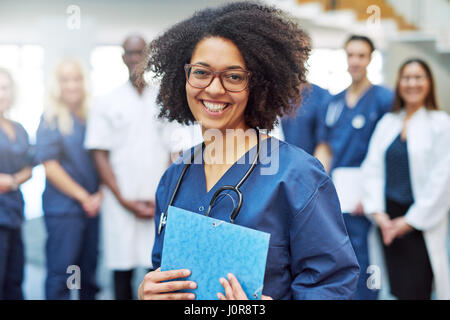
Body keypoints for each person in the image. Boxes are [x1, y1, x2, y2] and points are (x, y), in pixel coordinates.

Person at [137, 2, 359, 300]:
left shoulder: (297, 175)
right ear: (183, 78)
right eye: (201, 72)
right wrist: (150, 291)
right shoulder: (174, 178)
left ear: (258, 85)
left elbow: (334, 285)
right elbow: (163, 270)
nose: (214, 89)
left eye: (233, 76)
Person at [84, 35, 172, 300]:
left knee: (156, 270)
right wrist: (124, 199)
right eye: (130, 53)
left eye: (140, 52)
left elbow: (174, 150)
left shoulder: (165, 99)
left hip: (157, 201)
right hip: (120, 202)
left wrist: (161, 197)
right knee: (121, 272)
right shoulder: (106, 101)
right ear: (123, 57)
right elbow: (98, 152)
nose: (135, 58)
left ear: (148, 56)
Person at [361, 58, 450, 300]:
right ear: (399, 83)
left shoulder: (441, 124)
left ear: (429, 83)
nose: (412, 83)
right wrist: (379, 214)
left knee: (418, 290)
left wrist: (408, 222)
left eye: (419, 77)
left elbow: (442, 179)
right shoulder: (388, 123)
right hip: (387, 221)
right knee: (395, 290)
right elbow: (372, 168)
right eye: (406, 77)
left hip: (419, 224)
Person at [315, 35, 394, 300]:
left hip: (368, 189)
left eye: (361, 55)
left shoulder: (383, 99)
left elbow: (388, 153)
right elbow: (325, 146)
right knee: (339, 251)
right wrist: (320, 186)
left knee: (366, 254)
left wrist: (370, 196)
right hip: (339, 188)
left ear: (370, 59)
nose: (355, 61)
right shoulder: (333, 102)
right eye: (351, 55)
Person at [35, 59, 102, 300]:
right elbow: (50, 167)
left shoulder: (93, 116)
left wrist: (100, 196)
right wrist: (85, 197)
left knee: (89, 276)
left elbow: (104, 159)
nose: (72, 85)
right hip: (64, 210)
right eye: (65, 79)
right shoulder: (50, 119)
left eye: (77, 78)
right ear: (57, 85)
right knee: (62, 274)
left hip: (93, 208)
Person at [0, 68, 33, 300]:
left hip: (13, 211)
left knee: (15, 278)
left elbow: (30, 168)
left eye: (5, 87)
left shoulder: (18, 128)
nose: (2, 94)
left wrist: (10, 181)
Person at [281, 82, 331, 155]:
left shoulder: (321, 96)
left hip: (310, 160)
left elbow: (324, 143)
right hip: (283, 157)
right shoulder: (279, 95)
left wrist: (314, 165)